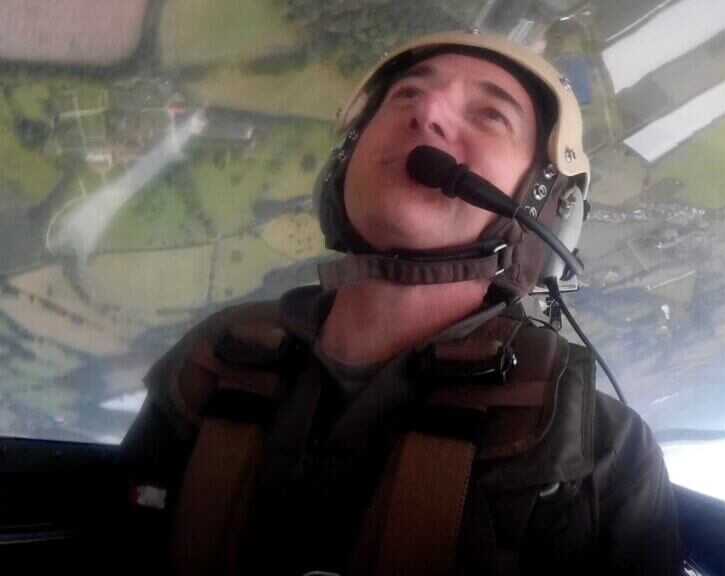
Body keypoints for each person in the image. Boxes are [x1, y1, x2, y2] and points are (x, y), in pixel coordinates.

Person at [119, 31, 680, 575]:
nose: (427, 110)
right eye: (406, 94)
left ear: (547, 207)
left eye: (490, 115)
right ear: (348, 159)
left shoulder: (598, 451)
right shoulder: (215, 363)